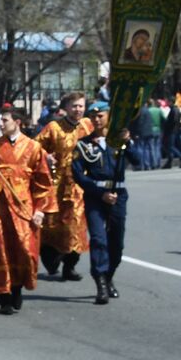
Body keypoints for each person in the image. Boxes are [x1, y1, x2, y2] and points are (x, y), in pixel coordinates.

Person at [0, 107, 56, 315]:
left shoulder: (34, 148)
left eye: (5, 120)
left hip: (23, 206)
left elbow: (44, 182)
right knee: (0, 250)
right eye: (1, 120)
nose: (1, 124)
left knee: (24, 250)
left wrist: (40, 210)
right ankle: (4, 296)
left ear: (17, 122)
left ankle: (17, 287)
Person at [73, 103, 139, 304]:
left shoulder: (118, 141)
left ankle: (109, 275)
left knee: (116, 242)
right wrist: (100, 193)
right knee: (98, 239)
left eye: (100, 115)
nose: (96, 120)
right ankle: (100, 281)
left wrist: (128, 142)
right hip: (96, 195)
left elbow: (138, 161)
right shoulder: (83, 144)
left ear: (109, 116)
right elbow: (78, 175)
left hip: (118, 193)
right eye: (92, 117)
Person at [36, 92, 93, 282]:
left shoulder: (87, 126)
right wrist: (46, 156)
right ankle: (51, 257)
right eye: (74, 106)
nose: (77, 110)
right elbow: (35, 147)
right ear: (66, 108)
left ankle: (70, 265)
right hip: (56, 185)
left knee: (76, 226)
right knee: (52, 225)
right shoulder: (54, 127)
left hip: (79, 185)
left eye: (80, 106)